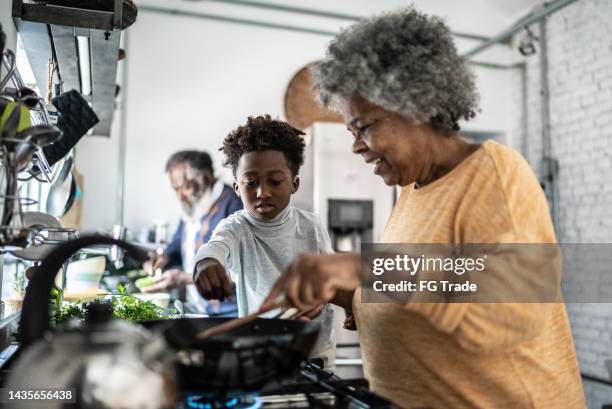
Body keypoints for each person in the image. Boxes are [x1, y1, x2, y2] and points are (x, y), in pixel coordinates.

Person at [261, 7, 586, 409]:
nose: (356, 145)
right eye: (351, 131)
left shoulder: (494, 174)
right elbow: (423, 291)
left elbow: (512, 303)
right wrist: (346, 294)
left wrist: (360, 267)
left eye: (363, 126)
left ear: (416, 104)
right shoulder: (414, 191)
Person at [192, 115, 336, 367]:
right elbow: (214, 249)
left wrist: (327, 296)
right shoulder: (236, 227)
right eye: (251, 183)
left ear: (294, 183)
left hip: (317, 358)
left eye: (275, 181)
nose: (262, 192)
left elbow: (334, 278)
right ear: (237, 188)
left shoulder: (311, 226)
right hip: (264, 359)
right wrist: (205, 264)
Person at [142, 150, 242, 314]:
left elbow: (241, 270)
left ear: (207, 178)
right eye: (176, 190)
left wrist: (184, 278)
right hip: (200, 308)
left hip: (229, 312)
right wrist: (162, 258)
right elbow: (176, 244)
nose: (180, 196)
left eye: (186, 187)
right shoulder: (193, 206)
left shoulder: (233, 206)